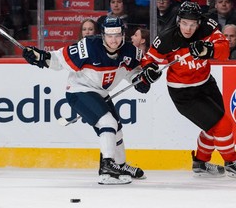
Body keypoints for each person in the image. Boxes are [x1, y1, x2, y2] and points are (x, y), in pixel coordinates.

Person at [22, 16, 150, 185]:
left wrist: (140, 80)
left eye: (117, 35)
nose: (113, 40)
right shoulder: (88, 46)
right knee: (108, 123)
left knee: (116, 129)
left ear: (123, 34)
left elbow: (133, 72)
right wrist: (41, 57)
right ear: (102, 35)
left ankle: (120, 165)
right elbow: (58, 59)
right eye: (109, 35)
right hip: (79, 91)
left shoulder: (130, 51)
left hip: (100, 93)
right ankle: (107, 168)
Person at [139, 1, 236, 179]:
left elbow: (224, 51)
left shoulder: (208, 27)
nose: (188, 28)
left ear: (199, 22)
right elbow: (148, 59)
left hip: (206, 83)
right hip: (183, 93)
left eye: (193, 24)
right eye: (185, 23)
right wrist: (148, 72)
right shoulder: (167, 37)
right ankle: (231, 162)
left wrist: (209, 49)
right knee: (223, 125)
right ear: (179, 20)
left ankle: (200, 162)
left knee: (214, 128)